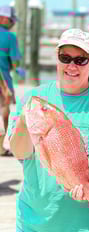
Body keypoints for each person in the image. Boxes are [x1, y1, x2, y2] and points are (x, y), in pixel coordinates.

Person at [8, 28, 89, 232]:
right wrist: (25, 121)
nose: (72, 66)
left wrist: (87, 185)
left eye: (80, 60)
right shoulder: (33, 98)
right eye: (65, 58)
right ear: (57, 58)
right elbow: (21, 152)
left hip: (85, 219)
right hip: (36, 214)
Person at [0, 5, 21, 156]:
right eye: (12, 20)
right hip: (3, 80)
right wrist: (16, 67)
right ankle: (2, 146)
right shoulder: (10, 37)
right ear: (5, 19)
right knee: (4, 110)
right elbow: (15, 63)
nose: (13, 23)